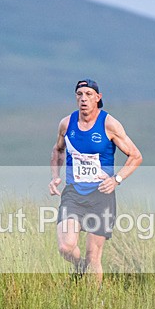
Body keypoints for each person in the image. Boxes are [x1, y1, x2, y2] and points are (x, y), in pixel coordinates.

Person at [49, 79, 142, 284]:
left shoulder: (109, 124)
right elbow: (58, 150)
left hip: (101, 195)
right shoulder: (67, 123)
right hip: (73, 193)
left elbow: (135, 156)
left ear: (98, 98)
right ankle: (79, 266)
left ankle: (95, 305)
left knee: (94, 256)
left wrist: (116, 179)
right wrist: (55, 176)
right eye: (80, 94)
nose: (83, 99)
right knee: (65, 246)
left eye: (89, 94)